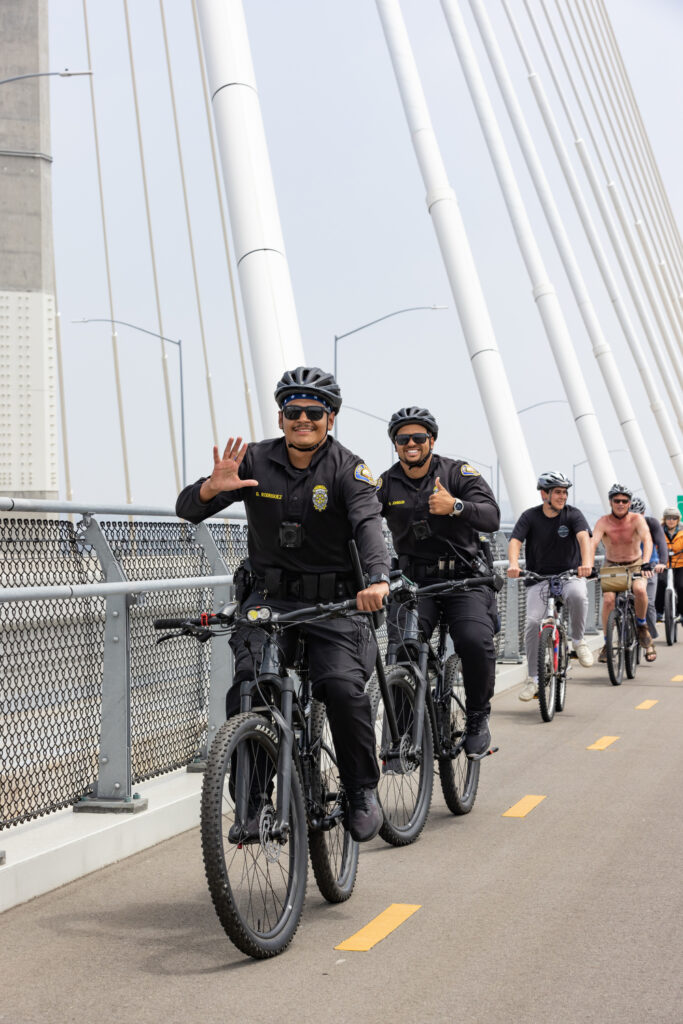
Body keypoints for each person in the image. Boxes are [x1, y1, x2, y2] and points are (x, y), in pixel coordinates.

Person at [176, 366, 389, 843]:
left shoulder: (348, 469)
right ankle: (251, 805)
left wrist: (376, 579)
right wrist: (212, 488)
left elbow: (368, 526)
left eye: (314, 412)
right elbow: (188, 510)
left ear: (329, 419)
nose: (304, 420)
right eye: (294, 412)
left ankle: (360, 790)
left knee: (339, 687)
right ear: (281, 417)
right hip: (268, 601)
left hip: (334, 605)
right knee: (250, 689)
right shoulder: (252, 460)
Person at [376, 406, 500, 757]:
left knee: (474, 640)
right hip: (416, 582)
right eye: (403, 439)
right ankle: (401, 738)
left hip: (464, 580)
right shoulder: (385, 484)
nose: (411, 444)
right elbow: (363, 522)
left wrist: (456, 506)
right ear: (395, 444)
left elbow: (492, 516)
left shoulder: (457, 472)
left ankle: (477, 716)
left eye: (418, 437)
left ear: (432, 440)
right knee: (401, 649)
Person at [507, 471, 594, 702]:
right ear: (544, 494)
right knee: (534, 622)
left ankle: (577, 641)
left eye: (565, 492)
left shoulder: (573, 515)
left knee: (578, 594)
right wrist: (514, 564)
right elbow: (515, 541)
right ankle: (533, 679)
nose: (562, 496)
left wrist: (586, 564)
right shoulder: (530, 517)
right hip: (539, 577)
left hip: (569, 575)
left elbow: (584, 538)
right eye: (557, 492)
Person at [591, 484, 655, 664]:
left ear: (629, 503)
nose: (620, 504)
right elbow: (592, 542)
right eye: (616, 500)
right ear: (611, 502)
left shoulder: (637, 519)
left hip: (635, 564)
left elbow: (647, 539)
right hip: (612, 566)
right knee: (609, 600)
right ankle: (607, 643)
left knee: (640, 590)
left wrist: (647, 562)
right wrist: (587, 565)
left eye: (624, 501)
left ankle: (642, 625)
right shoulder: (603, 521)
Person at [628, 497, 667, 639]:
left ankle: (649, 635)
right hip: (628, 565)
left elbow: (662, 543)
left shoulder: (651, 523)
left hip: (648, 566)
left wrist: (662, 562)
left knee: (649, 602)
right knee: (617, 600)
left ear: (643, 514)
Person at [655, 506, 683, 622]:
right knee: (660, 583)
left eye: (674, 518)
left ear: (678, 520)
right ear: (664, 519)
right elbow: (654, 546)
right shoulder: (659, 532)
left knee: (681, 586)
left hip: (680, 563)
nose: (671, 520)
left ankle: (682, 613)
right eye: (668, 518)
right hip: (664, 564)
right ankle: (659, 611)